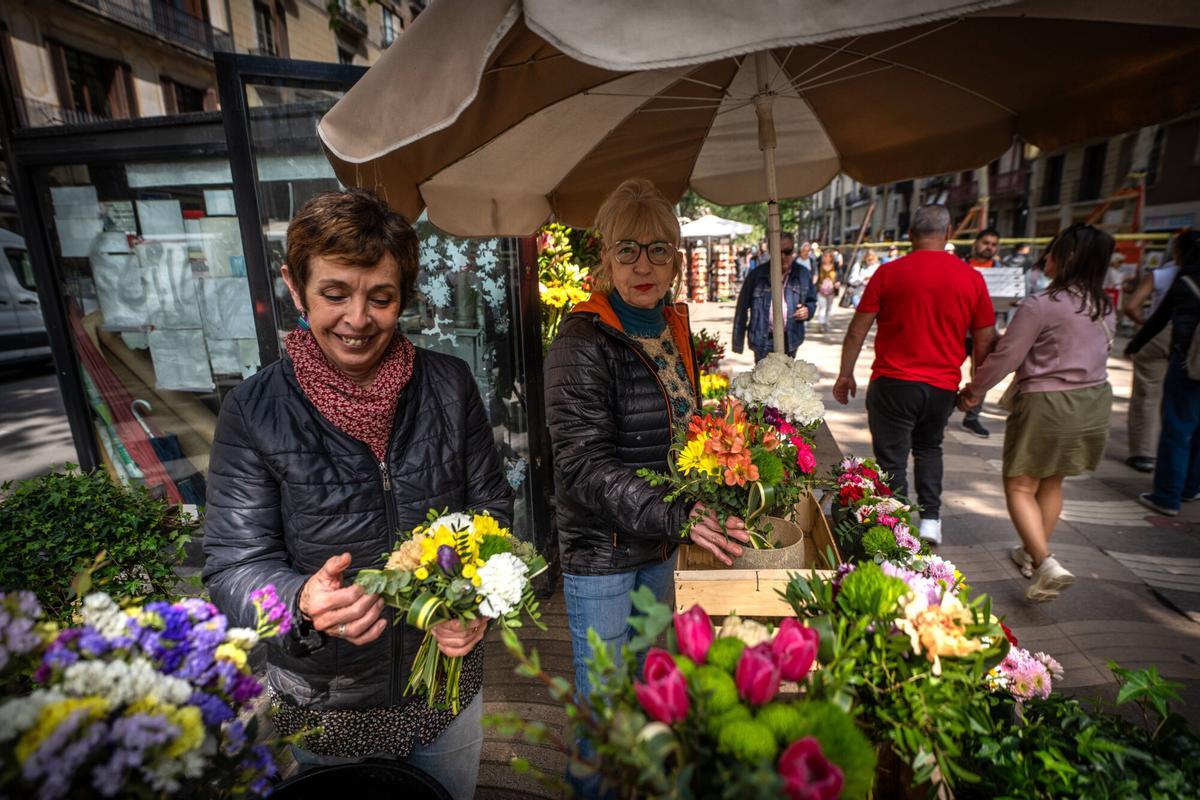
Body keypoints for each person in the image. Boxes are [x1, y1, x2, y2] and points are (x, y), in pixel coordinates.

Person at [202, 189, 512, 799]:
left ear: (404, 297)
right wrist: (299, 601)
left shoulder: (448, 385)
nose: (358, 319)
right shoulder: (255, 412)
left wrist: (474, 603)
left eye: (381, 297)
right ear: (296, 289)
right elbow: (233, 565)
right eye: (334, 293)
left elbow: (493, 512)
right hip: (325, 700)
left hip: (443, 683)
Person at [544, 178, 750, 798]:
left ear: (677, 261)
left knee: (644, 687)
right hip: (604, 554)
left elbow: (676, 438)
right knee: (604, 710)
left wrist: (722, 465)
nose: (643, 265)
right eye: (627, 249)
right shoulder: (582, 341)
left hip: (658, 546)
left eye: (658, 250)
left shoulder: (672, 329)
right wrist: (679, 515)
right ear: (603, 257)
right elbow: (581, 464)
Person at [958, 223, 1116, 602]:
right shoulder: (1104, 307)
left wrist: (974, 391)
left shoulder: (1041, 305)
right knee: (1052, 482)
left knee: (1019, 485)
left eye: (1053, 250)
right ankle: (1030, 553)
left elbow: (1008, 357)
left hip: (1047, 404)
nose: (1047, 257)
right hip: (1093, 403)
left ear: (1068, 258)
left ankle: (1046, 563)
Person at [833, 205, 996, 546]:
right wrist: (976, 386)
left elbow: (856, 331)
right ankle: (931, 522)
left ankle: (897, 527)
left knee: (891, 458)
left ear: (909, 236)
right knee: (929, 448)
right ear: (949, 233)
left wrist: (845, 374)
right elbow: (985, 339)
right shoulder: (972, 278)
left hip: (893, 383)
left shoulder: (888, 273)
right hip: (941, 387)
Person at [1126, 230, 1200, 517]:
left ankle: (1167, 496)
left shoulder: (1185, 278)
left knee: (1177, 426)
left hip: (1186, 360)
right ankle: (1191, 487)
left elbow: (1158, 318)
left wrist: (1134, 344)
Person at [1122, 243, 1181, 473]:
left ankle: (1144, 453)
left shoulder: (1162, 275)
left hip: (1161, 335)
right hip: (1194, 343)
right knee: (1185, 399)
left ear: (1176, 252)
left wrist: (1143, 330)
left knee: (1148, 393)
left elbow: (1132, 307)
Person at [732, 231, 819, 361]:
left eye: (787, 252)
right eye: (778, 251)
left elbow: (812, 302)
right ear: (770, 251)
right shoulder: (756, 275)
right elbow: (741, 309)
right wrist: (737, 343)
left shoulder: (803, 273)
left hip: (790, 339)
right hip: (762, 338)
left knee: (786, 379)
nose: (782, 256)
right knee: (762, 380)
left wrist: (808, 310)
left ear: (793, 250)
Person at [960, 227, 1003, 438]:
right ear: (976, 243)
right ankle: (942, 410)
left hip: (986, 332)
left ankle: (972, 417)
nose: (989, 247)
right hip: (959, 331)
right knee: (948, 369)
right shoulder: (960, 267)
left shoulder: (1002, 271)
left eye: (994, 244)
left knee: (981, 375)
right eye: (986, 242)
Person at [813, 250, 841, 332]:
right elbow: (815, 276)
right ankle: (821, 325)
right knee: (822, 307)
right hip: (820, 290)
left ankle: (826, 323)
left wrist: (837, 282)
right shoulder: (818, 265)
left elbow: (839, 276)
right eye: (825, 256)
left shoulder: (835, 266)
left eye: (829, 256)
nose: (826, 258)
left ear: (831, 258)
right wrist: (814, 283)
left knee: (829, 308)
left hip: (831, 291)